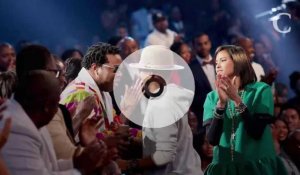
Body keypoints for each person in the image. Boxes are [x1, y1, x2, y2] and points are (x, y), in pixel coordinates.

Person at [117, 45, 202, 175]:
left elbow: (165, 156)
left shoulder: (162, 103)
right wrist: (139, 142)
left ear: (152, 74)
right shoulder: (169, 96)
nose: (139, 76)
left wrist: (127, 164)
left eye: (142, 71)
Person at [1, 71, 106, 174]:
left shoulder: (30, 117)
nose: (57, 110)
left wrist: (78, 162)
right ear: (46, 107)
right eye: (56, 104)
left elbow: (47, 166)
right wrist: (82, 170)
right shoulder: (17, 128)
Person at [203, 45, 287, 175]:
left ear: (238, 61)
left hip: (255, 168)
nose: (218, 65)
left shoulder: (261, 90)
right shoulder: (212, 97)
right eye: (216, 62)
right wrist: (221, 104)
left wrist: (237, 100)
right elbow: (212, 140)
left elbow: (256, 131)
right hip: (223, 169)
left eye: (223, 60)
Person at [190, 33, 216, 128]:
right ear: (194, 46)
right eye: (200, 44)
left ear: (210, 43)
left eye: (206, 43)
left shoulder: (221, 61)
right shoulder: (190, 69)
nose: (203, 47)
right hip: (205, 118)